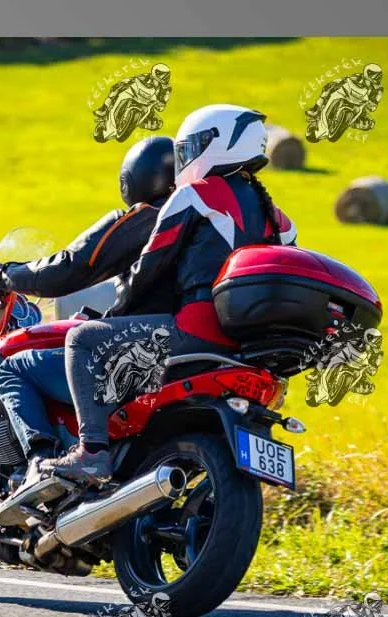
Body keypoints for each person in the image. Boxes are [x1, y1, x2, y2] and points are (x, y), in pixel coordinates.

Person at [42, 104, 298, 485]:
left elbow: (149, 268)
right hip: (245, 349)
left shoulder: (195, 194)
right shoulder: (276, 217)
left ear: (217, 145)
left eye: (189, 149)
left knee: (82, 339)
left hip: (195, 330)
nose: (184, 162)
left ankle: (91, 453)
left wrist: (111, 317)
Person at [0, 136, 178, 470]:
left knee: (14, 368)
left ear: (134, 178)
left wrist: (3, 275)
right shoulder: (197, 219)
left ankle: (39, 466)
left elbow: (70, 267)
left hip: (138, 357)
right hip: (179, 350)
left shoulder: (146, 219)